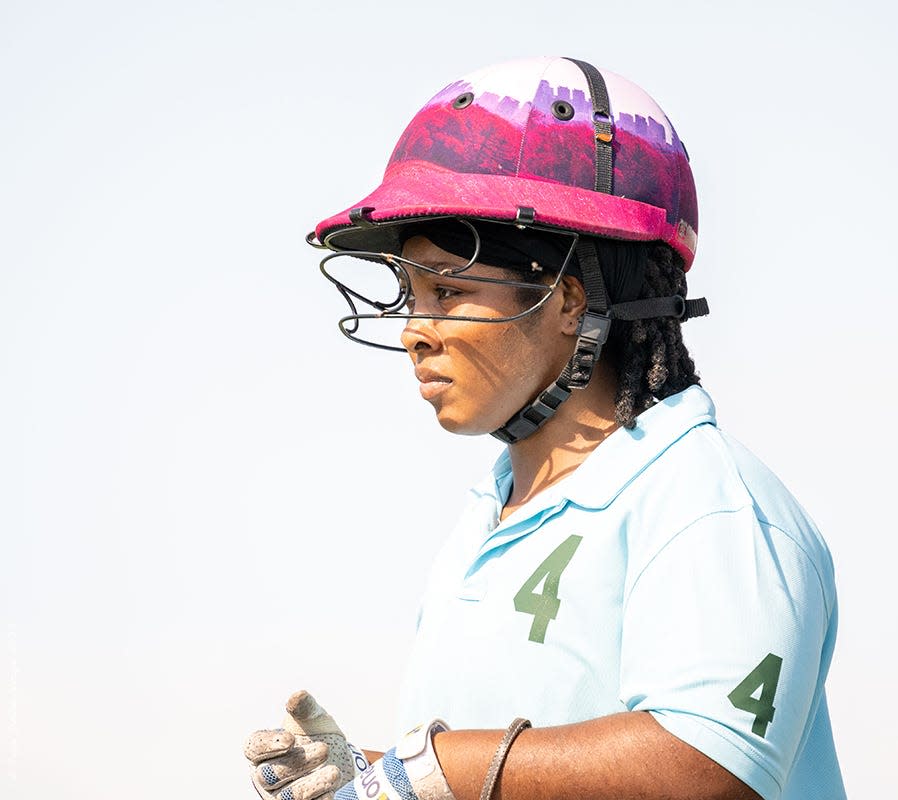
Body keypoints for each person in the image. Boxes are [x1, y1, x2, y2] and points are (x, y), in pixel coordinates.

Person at [243, 56, 845, 800]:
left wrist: (435, 770)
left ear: (567, 302)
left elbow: (707, 768)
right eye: (412, 294)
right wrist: (374, 780)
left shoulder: (707, 504)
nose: (415, 332)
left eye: (451, 291)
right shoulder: (488, 519)